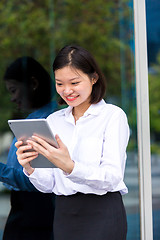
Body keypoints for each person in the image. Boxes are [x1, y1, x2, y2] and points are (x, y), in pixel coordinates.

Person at [16, 45, 130, 240]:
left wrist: (70, 167)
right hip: (64, 213)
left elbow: (111, 177)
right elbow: (49, 184)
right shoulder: (53, 121)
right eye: (60, 83)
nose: (67, 90)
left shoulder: (113, 116)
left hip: (102, 211)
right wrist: (30, 167)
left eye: (74, 82)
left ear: (94, 78)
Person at [1, 56, 57, 240]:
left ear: (33, 84)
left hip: (35, 217)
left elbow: (35, 181)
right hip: (29, 214)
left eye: (14, 90)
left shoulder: (46, 121)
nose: (12, 98)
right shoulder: (34, 119)